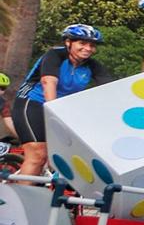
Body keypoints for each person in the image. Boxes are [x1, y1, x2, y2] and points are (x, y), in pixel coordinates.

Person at [11, 24, 105, 177]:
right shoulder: (55, 55)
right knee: (38, 155)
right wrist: (54, 112)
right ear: (68, 42)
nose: (88, 48)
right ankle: (22, 195)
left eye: (92, 45)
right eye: (82, 43)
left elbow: (111, 88)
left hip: (60, 110)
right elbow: (49, 82)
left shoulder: (92, 66)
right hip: (32, 103)